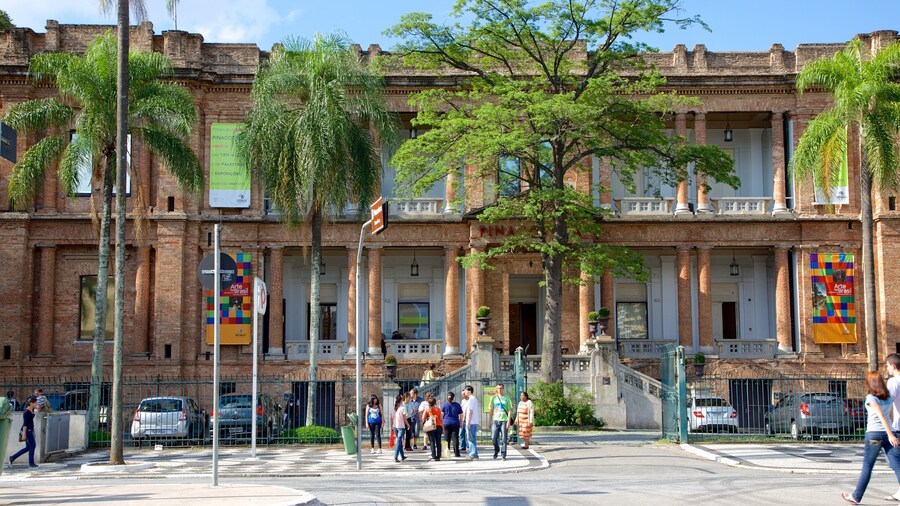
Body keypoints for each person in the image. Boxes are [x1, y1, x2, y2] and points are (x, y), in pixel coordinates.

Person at [842, 371, 900, 504]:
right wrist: (891, 433)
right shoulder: (888, 397)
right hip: (889, 433)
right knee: (897, 464)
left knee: (867, 466)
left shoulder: (871, 398)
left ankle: (856, 496)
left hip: (875, 434)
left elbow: (882, 416)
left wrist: (891, 434)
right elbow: (890, 416)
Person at [885, 353, 900, 501]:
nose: (887, 368)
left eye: (888, 365)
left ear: (893, 366)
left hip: (897, 426)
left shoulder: (893, 382)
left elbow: (887, 403)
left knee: (893, 459)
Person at [8, 395, 38, 468]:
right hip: (27, 431)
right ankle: (31, 463)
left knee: (28, 447)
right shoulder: (26, 412)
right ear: (31, 403)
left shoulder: (32, 410)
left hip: (30, 430)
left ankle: (12, 458)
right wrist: (24, 434)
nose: (36, 404)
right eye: (35, 403)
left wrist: (33, 430)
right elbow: (25, 424)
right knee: (32, 446)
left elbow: (31, 422)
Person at [490, 383, 513, 460]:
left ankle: (503, 454)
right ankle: (496, 450)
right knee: (493, 438)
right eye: (498, 388)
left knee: (504, 439)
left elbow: (509, 410)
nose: (499, 390)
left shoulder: (507, 398)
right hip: (495, 420)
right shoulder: (493, 398)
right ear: (496, 389)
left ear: (503, 389)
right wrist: (489, 420)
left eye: (501, 388)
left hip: (504, 420)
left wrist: (508, 421)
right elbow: (491, 410)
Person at [442, 391, 463, 457]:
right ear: (453, 398)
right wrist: (461, 422)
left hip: (446, 423)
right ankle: (457, 453)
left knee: (446, 439)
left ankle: (446, 453)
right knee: (455, 439)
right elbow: (461, 415)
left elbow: (442, 414)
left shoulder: (444, 405)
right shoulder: (457, 405)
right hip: (455, 423)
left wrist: (441, 422)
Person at [422, 393, 443, 461]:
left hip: (431, 426)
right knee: (438, 441)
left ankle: (433, 455)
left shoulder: (427, 410)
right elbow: (440, 418)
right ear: (435, 403)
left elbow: (423, 418)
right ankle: (438, 455)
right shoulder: (438, 409)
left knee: (432, 441)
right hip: (438, 426)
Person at [463, 385, 480, 459]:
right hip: (473, 421)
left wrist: (468, 422)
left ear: (469, 391)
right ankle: (474, 452)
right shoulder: (473, 399)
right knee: (472, 437)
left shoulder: (471, 399)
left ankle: (473, 453)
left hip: (471, 422)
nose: (464, 392)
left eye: (465, 390)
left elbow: (470, 411)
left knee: (470, 438)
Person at [392, 394, 409, 463]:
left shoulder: (395, 408)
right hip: (401, 426)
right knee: (399, 442)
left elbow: (392, 417)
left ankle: (402, 455)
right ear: (402, 400)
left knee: (399, 441)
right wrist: (408, 424)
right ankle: (395, 457)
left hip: (395, 426)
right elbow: (404, 418)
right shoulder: (403, 408)